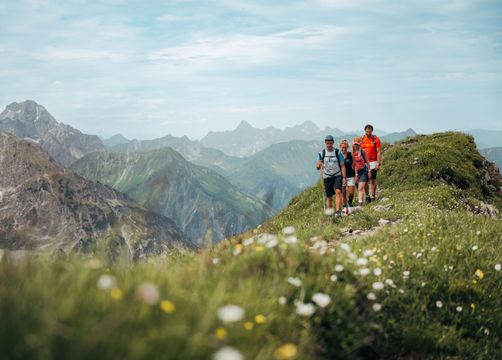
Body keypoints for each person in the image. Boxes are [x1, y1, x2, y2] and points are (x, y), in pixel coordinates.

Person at [316, 135, 347, 217]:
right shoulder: (322, 153)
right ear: (325, 143)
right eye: (327, 143)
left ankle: (337, 212)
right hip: (327, 176)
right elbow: (317, 166)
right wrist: (318, 165)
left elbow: (343, 165)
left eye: (330, 143)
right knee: (329, 196)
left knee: (338, 192)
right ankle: (330, 214)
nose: (329, 145)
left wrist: (344, 177)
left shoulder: (338, 152)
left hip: (337, 175)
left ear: (333, 142)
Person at [359, 124, 382, 203]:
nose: (368, 132)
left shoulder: (375, 139)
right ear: (365, 130)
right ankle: (367, 196)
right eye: (367, 131)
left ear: (372, 131)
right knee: (364, 180)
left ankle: (373, 196)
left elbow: (378, 152)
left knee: (372, 179)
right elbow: (358, 150)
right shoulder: (361, 139)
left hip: (373, 162)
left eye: (370, 131)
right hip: (364, 162)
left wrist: (378, 163)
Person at [352, 138, 371, 207]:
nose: (356, 146)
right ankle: (367, 196)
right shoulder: (351, 153)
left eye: (357, 144)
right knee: (359, 188)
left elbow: (368, 162)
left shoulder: (363, 152)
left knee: (360, 188)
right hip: (355, 173)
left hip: (363, 171)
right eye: (355, 144)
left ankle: (360, 204)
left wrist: (369, 171)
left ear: (359, 145)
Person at [339, 140, 355, 208]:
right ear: (340, 147)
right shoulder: (339, 155)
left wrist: (353, 170)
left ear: (347, 147)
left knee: (351, 192)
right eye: (342, 147)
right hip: (342, 177)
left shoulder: (350, 154)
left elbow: (354, 163)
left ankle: (350, 202)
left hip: (351, 175)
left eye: (345, 147)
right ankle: (344, 206)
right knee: (343, 192)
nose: (343, 149)